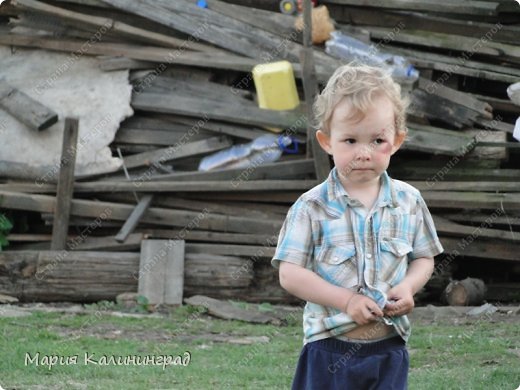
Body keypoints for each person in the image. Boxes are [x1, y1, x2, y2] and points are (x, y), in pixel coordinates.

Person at [272, 63, 444, 389]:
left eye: (377, 140)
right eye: (350, 140)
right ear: (326, 141)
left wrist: (408, 287)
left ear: (396, 141)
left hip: (389, 348)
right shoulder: (312, 207)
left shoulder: (408, 201)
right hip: (328, 350)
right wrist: (347, 301)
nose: (364, 153)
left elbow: (424, 258)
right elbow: (289, 274)